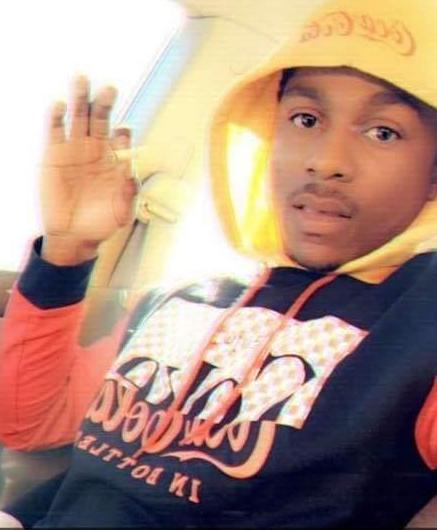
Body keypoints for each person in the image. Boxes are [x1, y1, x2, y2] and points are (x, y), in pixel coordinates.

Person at [1, 0, 437, 526]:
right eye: (305, 119)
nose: (325, 162)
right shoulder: (186, 297)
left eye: (383, 132)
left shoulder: (420, 316)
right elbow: (30, 423)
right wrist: (67, 251)